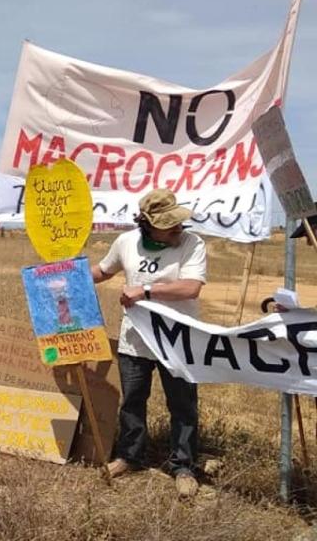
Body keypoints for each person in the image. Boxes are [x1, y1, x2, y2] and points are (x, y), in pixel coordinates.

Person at [92, 188, 207, 498]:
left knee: (183, 405)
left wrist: (144, 291)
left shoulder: (192, 244)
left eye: (178, 222)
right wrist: (64, 275)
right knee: (132, 401)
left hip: (177, 342)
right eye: (170, 224)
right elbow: (103, 271)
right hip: (135, 340)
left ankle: (183, 465)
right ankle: (130, 456)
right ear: (147, 223)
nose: (178, 228)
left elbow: (191, 288)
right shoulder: (126, 242)